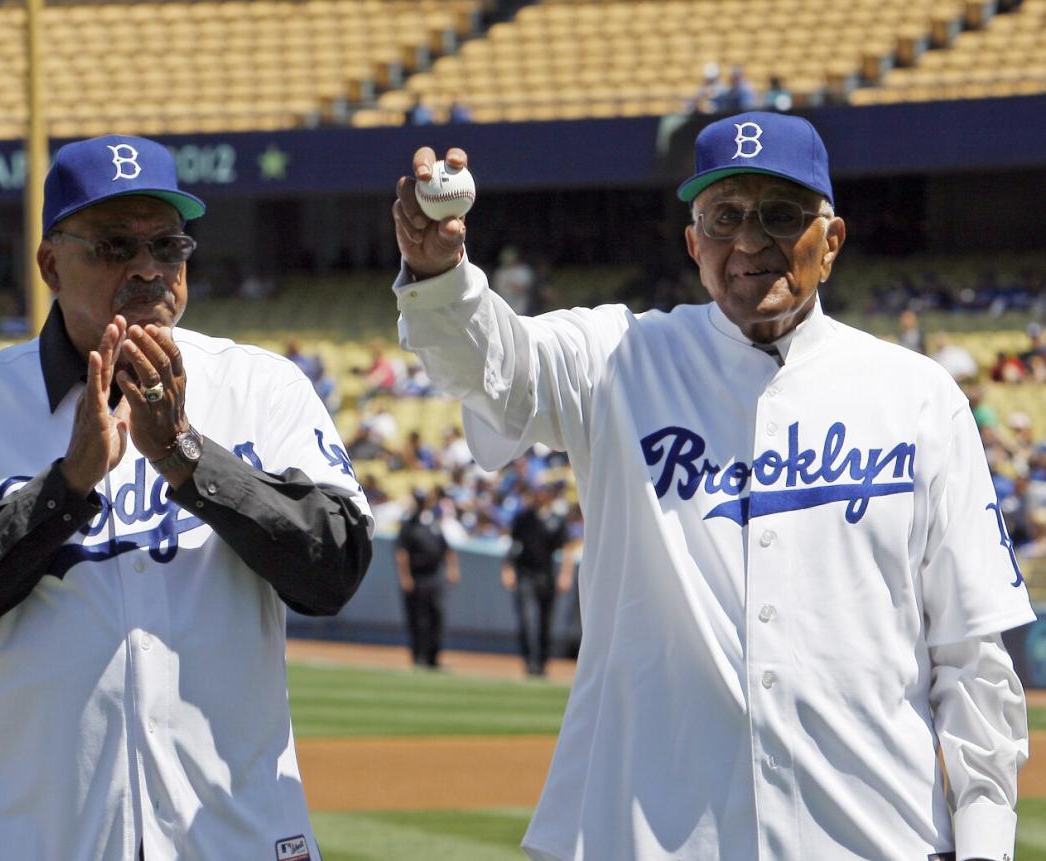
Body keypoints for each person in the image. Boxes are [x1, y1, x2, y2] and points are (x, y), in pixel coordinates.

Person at [390, 112, 1033, 860]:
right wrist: (440, 277)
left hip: (875, 838)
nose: (750, 242)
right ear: (694, 245)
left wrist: (985, 842)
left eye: (780, 215)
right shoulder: (618, 358)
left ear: (831, 241)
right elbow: (491, 365)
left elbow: (971, 658)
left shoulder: (918, 396)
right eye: (724, 217)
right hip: (649, 840)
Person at [0, 135, 373, 860]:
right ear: (49, 263)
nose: (147, 268)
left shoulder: (262, 386)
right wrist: (65, 487)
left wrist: (190, 461)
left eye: (168, 246)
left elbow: (337, 565)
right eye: (112, 246)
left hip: (239, 840)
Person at [501, 484, 577, 676]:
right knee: (527, 619)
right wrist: (508, 569)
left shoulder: (556, 521)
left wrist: (565, 575)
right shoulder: (524, 518)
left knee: (545, 622)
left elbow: (567, 549)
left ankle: (542, 663)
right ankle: (530, 662)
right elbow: (513, 546)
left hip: (546, 576)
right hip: (525, 574)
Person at [395, 488, 460, 667]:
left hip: (434, 576)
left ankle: (433, 657)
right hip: (417, 577)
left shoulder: (434, 523)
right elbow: (402, 553)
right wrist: (405, 577)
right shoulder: (408, 525)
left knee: (436, 616)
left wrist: (452, 569)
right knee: (418, 618)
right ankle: (419, 657)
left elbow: (447, 549)